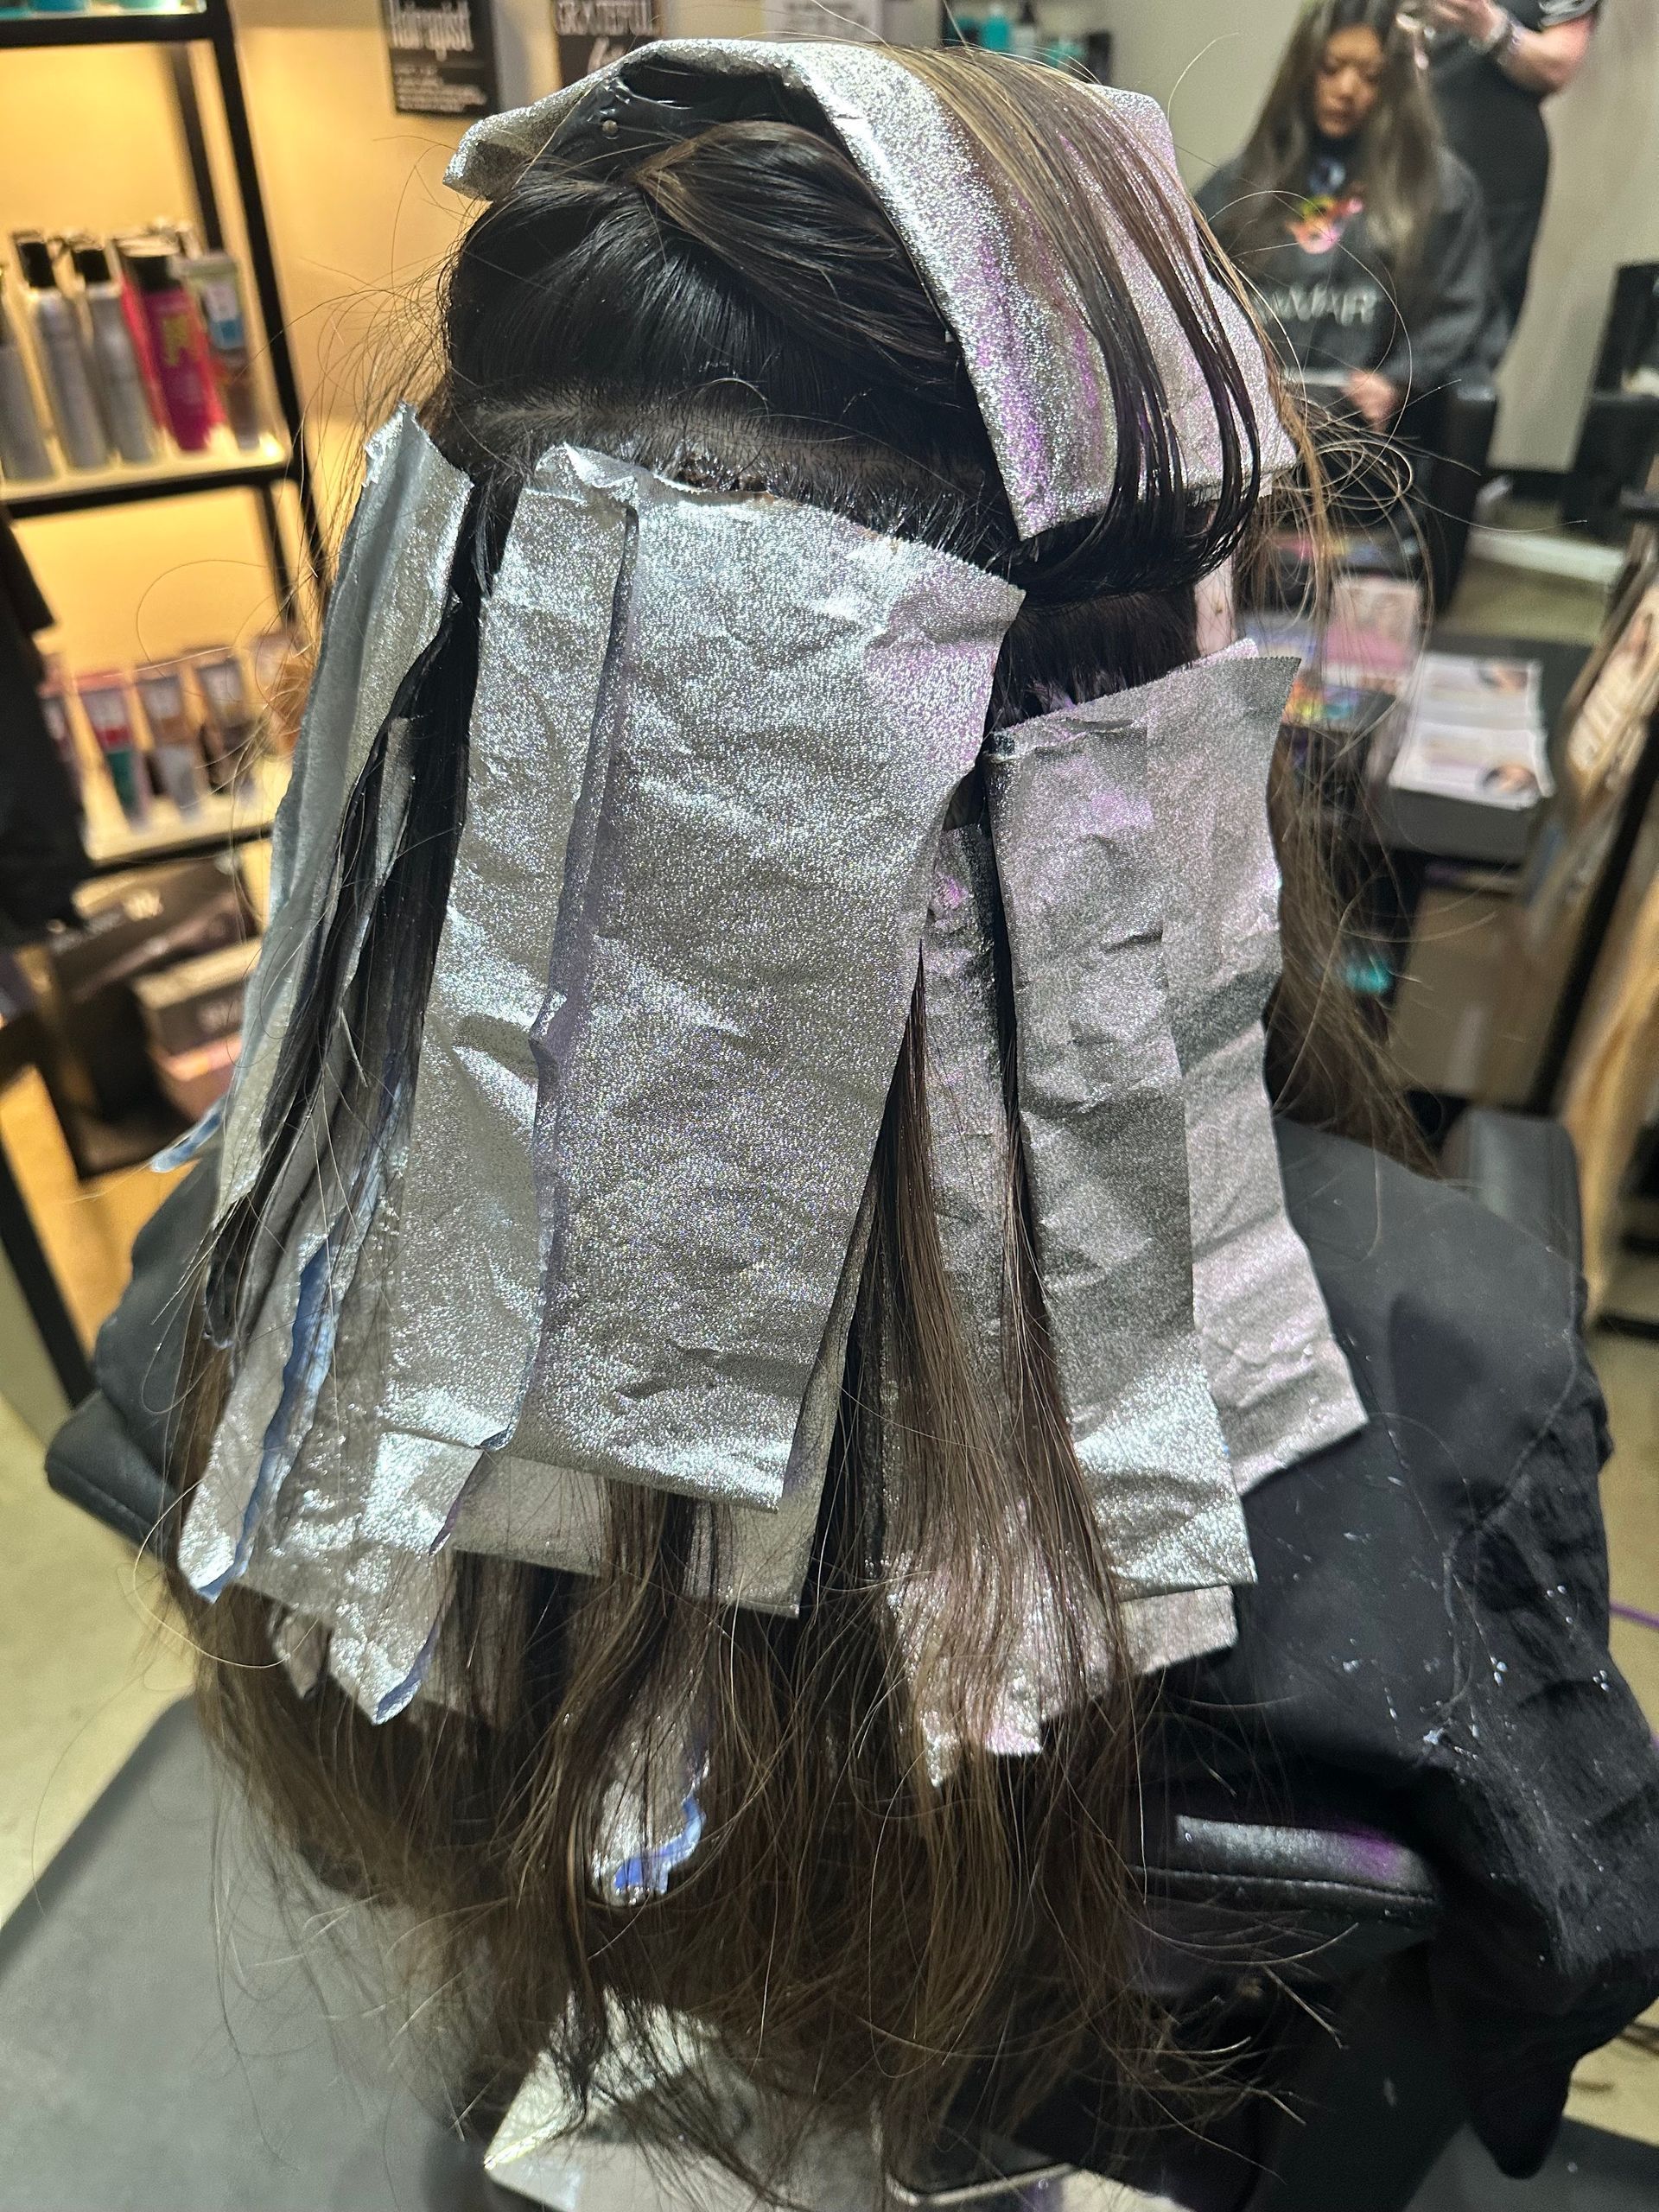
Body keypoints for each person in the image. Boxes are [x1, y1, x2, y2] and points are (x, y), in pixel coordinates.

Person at [48, 36, 1659, 2202]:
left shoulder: (251, 1313)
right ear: (1171, 708)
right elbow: (1542, 1984)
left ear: (450, 676)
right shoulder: (1449, 1355)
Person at [1198, 0, 1496, 431]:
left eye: (1370, 77)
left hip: (1365, 430)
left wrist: (1397, 381)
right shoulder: (1241, 183)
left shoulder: (1441, 190)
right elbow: (1189, 288)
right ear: (1303, 73)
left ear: (1395, 85)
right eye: (1330, 69)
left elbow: (1458, 312)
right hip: (1247, 419)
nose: (1346, 89)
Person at [1423, 0, 1600, 344]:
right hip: (1400, 142)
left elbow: (1558, 65)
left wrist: (1489, 25)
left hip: (1490, 162)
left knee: (1461, 326)